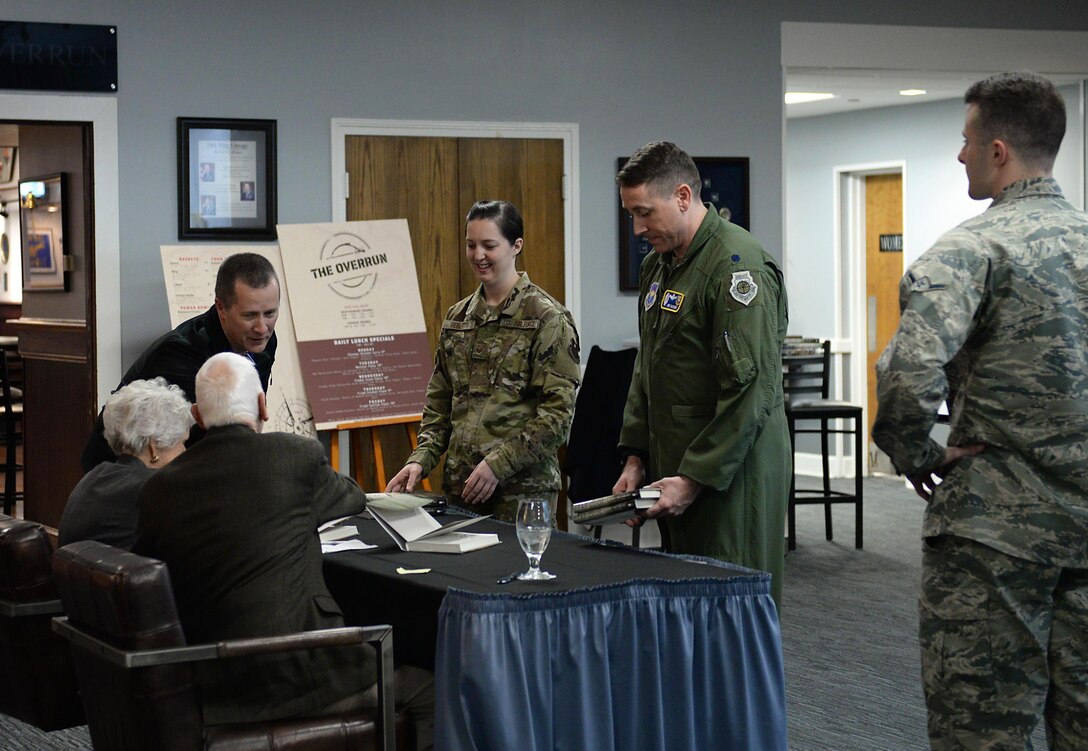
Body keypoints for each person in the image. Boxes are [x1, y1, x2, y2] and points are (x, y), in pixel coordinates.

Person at [873, 72, 1088, 749]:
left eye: (965, 141)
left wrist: (918, 454)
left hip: (995, 535)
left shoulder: (970, 251)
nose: (959, 156)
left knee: (982, 730)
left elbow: (908, 377)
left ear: (998, 150)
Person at [134, 354, 433, 744]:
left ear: (197, 415)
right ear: (262, 405)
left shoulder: (157, 490)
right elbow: (352, 498)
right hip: (304, 676)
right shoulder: (294, 456)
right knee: (431, 690)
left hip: (210, 685)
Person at [611, 141, 790, 607]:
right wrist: (636, 456)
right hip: (680, 469)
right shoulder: (659, 266)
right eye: (631, 214)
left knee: (731, 610)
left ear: (684, 197)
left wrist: (694, 478)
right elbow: (648, 366)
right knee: (688, 608)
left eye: (645, 213)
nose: (637, 228)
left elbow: (750, 393)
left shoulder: (737, 267)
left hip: (731, 476)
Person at [386, 200, 580, 523]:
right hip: (462, 491)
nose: (478, 256)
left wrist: (497, 464)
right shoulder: (458, 318)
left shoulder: (547, 319)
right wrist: (420, 460)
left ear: (516, 245)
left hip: (522, 494)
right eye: (471, 245)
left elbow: (557, 417)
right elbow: (439, 404)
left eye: (489, 246)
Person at [81, 252, 279, 472]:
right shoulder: (180, 354)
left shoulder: (262, 343)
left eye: (270, 313)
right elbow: (195, 445)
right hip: (123, 474)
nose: (262, 328)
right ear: (221, 308)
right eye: (249, 316)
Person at [59, 378, 192, 550]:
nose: (185, 451)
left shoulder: (92, 477)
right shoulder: (154, 489)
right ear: (153, 449)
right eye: (181, 442)